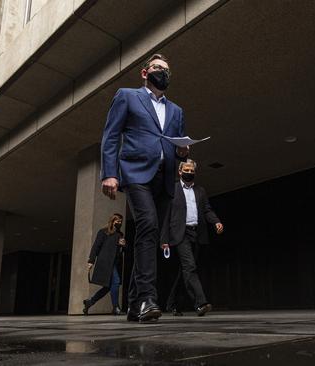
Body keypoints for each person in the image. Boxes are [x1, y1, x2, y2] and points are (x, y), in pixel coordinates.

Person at [100, 53, 189, 322]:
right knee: (148, 226)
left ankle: (133, 303)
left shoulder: (177, 110)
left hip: (164, 179)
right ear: (144, 72)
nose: (163, 73)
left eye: (167, 70)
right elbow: (111, 135)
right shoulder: (127, 96)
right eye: (158, 68)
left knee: (149, 238)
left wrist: (183, 151)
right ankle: (148, 299)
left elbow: (176, 144)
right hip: (136, 173)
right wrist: (110, 173)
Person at [161, 159, 224, 316]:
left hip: (197, 234)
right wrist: (164, 239)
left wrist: (216, 221)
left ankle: (172, 303)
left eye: (192, 171)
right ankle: (201, 303)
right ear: (180, 172)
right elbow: (166, 216)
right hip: (179, 234)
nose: (189, 173)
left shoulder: (200, 191)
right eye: (186, 170)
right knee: (190, 267)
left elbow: (207, 210)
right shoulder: (172, 189)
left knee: (185, 271)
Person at [83, 213, 126, 315]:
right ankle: (116, 307)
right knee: (116, 282)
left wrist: (123, 245)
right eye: (117, 221)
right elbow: (96, 246)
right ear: (112, 221)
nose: (119, 223)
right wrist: (91, 261)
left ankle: (89, 302)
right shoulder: (103, 232)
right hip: (105, 262)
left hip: (115, 263)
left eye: (121, 221)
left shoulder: (120, 234)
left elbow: (122, 250)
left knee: (108, 287)